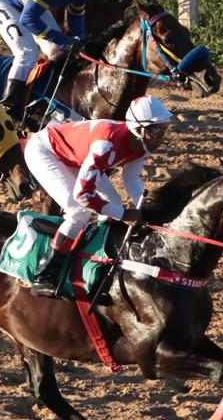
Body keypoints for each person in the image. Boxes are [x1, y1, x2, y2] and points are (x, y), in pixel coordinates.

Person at [25, 95, 174, 298]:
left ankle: (96, 258)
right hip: (44, 151)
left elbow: (131, 179)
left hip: (74, 155)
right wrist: (123, 215)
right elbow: (82, 194)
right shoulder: (106, 145)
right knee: (79, 211)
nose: (162, 136)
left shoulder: (142, 145)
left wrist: (144, 203)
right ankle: (45, 275)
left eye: (164, 129)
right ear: (138, 129)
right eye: (156, 130)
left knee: (114, 203)